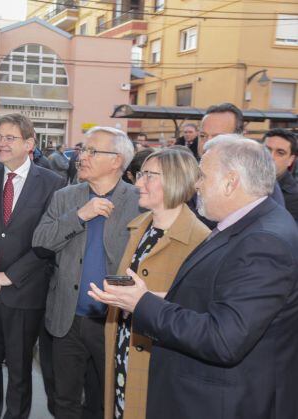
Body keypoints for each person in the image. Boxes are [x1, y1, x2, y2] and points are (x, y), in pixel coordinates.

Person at [89, 135, 298, 419]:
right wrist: (154, 298)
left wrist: (143, 304)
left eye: (202, 176)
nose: (196, 184)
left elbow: (225, 339)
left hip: (223, 402)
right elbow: (219, 299)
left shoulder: (264, 240)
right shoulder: (246, 225)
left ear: (231, 182)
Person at [0, 113, 66, 419]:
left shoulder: (52, 183)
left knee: (20, 372)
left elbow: (48, 242)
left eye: (10, 138)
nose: (2, 143)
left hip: (23, 293)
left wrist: (8, 276)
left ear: (30, 143)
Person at [32, 127, 140, 419]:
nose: (82, 156)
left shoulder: (140, 202)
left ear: (116, 161)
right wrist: (80, 215)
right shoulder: (66, 197)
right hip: (67, 316)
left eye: (93, 151)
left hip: (113, 320)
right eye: (83, 150)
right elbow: (40, 241)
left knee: (104, 400)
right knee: (64, 399)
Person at [103, 148, 210, 419]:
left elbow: (198, 317)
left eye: (148, 176)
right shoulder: (140, 227)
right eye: (140, 175)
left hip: (160, 363)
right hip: (123, 346)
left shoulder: (200, 241)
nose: (138, 183)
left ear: (175, 179)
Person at [192, 103, 285, 228]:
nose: (206, 144)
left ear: (240, 137)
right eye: (203, 136)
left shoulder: (259, 180)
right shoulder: (194, 172)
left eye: (218, 137)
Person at [263, 128, 298, 221]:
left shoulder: (295, 199)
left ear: (291, 160)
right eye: (266, 150)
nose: (271, 157)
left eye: (280, 153)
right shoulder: (242, 182)